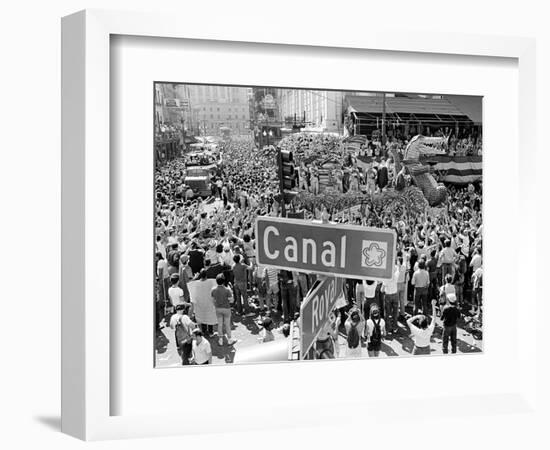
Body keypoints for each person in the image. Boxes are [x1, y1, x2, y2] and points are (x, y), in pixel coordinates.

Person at [188, 269, 217, 335]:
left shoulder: (196, 283)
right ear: (206, 275)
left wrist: (195, 277)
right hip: (209, 303)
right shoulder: (211, 282)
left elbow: (190, 285)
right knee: (210, 317)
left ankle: (204, 331)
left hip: (200, 303)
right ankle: (210, 332)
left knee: (203, 316)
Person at [211, 273, 236, 346]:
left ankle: (220, 340)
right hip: (227, 309)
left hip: (218, 309)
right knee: (227, 325)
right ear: (223, 281)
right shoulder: (227, 290)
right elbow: (231, 301)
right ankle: (229, 340)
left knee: (220, 325)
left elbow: (212, 300)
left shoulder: (213, 290)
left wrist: (216, 306)